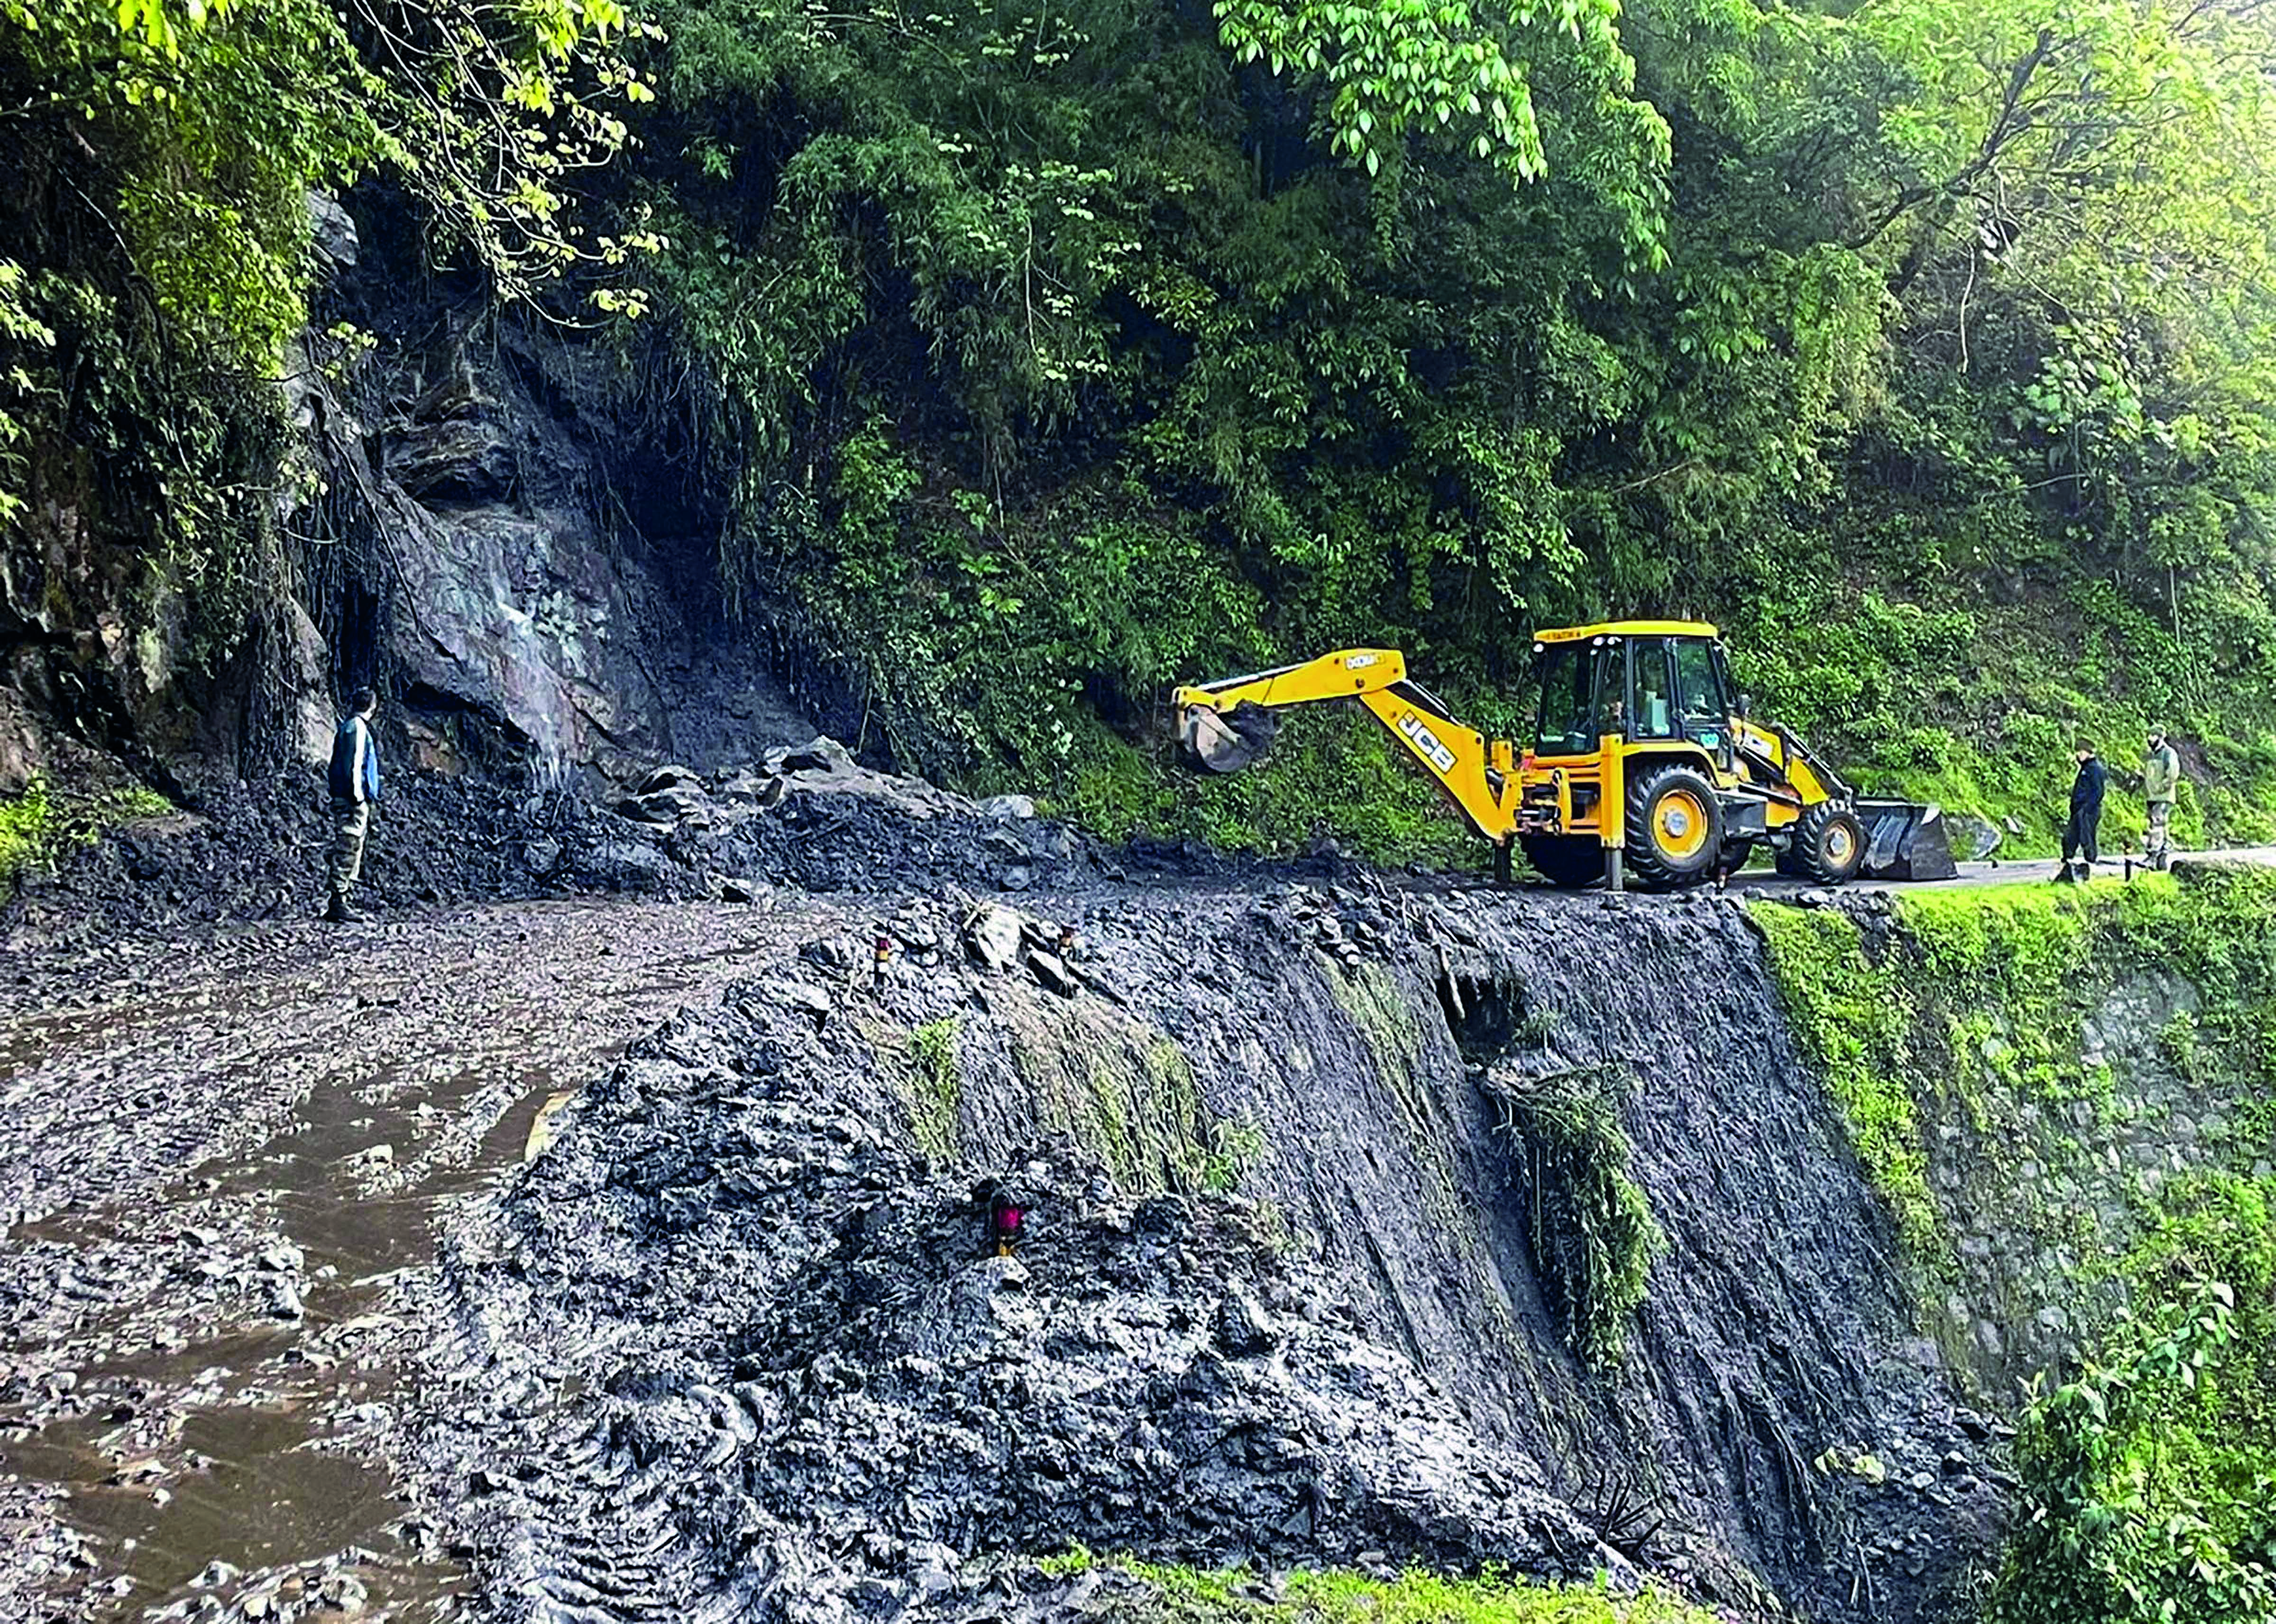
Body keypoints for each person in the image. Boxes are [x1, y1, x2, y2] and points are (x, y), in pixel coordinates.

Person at [324, 686, 381, 923]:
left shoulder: (349, 726)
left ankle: (342, 898)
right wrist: (358, 797)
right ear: (373, 706)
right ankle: (339, 901)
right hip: (352, 800)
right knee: (349, 844)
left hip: (348, 797)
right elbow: (354, 764)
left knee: (351, 845)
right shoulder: (357, 728)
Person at [2057, 740, 2107, 883]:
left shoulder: (2095, 769)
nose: (2078, 755)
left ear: (2088, 753)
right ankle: (2067, 859)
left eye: (2081, 753)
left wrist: (2087, 808)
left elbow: (2098, 792)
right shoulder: (2086, 768)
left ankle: (2090, 864)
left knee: (2087, 837)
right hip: (2079, 809)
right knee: (2070, 836)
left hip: (2088, 810)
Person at [2141, 728, 2181, 873]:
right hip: (2151, 796)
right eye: (2149, 736)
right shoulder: (2150, 756)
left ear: (2160, 737)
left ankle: (2153, 856)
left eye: (2153, 736)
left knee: (2157, 825)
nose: (2150, 739)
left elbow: (2173, 774)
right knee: (2157, 825)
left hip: (2164, 796)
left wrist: (2161, 787)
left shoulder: (2168, 753)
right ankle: (2163, 855)